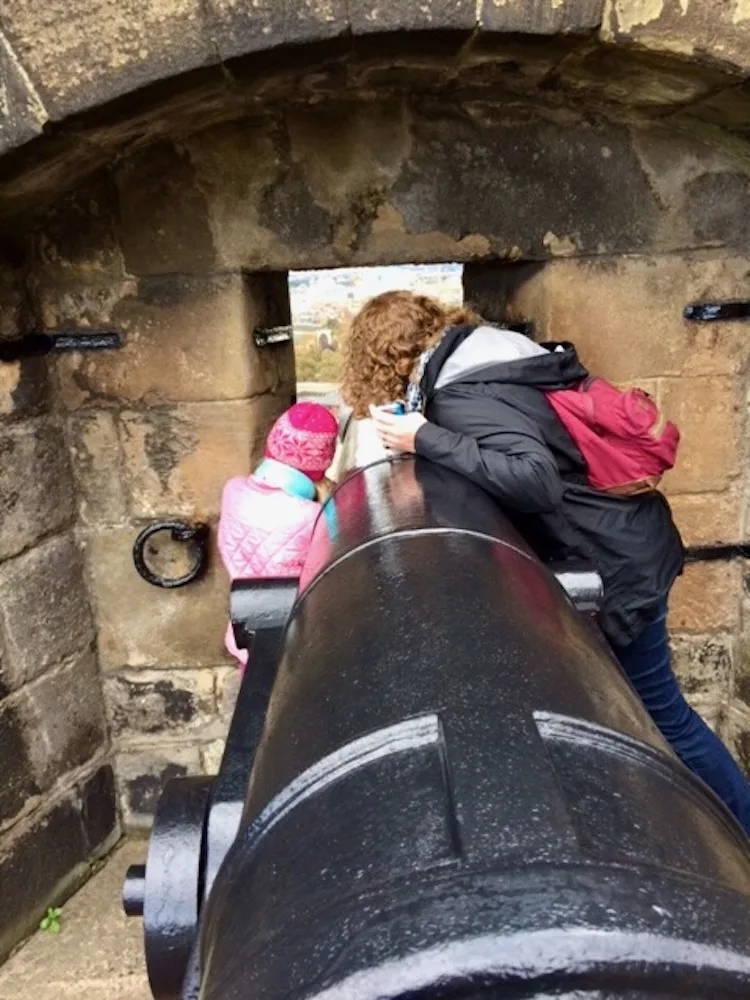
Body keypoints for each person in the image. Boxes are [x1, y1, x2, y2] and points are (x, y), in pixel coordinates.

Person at [341, 289, 750, 835]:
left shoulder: (458, 394)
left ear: (383, 361)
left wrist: (425, 438)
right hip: (627, 540)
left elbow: (535, 479)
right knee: (637, 710)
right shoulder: (490, 352)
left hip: (614, 560)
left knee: (664, 719)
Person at [217, 402, 337, 668]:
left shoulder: (233, 490)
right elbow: (325, 578)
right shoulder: (312, 515)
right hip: (293, 642)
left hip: (245, 632)